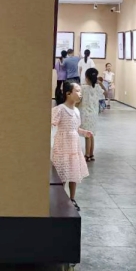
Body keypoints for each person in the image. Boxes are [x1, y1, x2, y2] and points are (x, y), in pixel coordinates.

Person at [52, 82, 93, 211]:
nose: (80, 94)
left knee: (73, 173)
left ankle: (72, 198)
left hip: (74, 147)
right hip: (62, 146)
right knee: (62, 173)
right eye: (77, 91)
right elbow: (53, 122)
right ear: (68, 93)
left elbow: (75, 128)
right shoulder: (60, 109)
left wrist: (84, 132)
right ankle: (60, 198)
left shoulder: (76, 111)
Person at [79, 68, 104, 162]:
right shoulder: (97, 87)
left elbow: (79, 100)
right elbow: (104, 93)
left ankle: (87, 155)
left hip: (85, 114)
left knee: (87, 135)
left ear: (86, 77)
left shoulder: (83, 88)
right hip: (94, 113)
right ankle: (92, 154)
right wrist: (100, 83)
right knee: (91, 134)